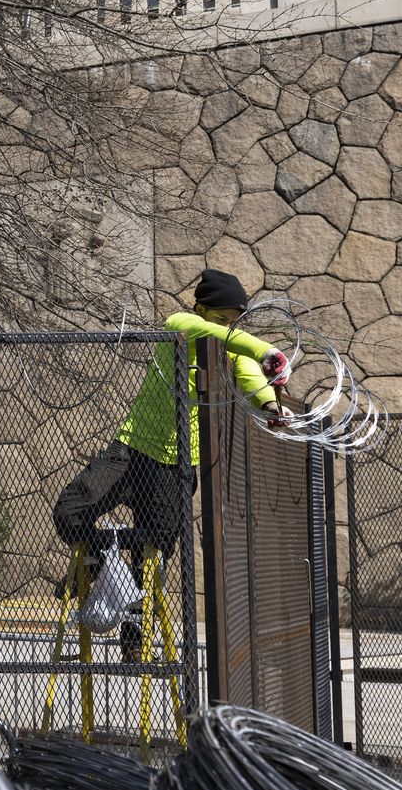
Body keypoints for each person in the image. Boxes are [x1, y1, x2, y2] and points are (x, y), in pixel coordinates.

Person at [51, 268, 291, 656]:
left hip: (176, 466)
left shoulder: (228, 347)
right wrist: (263, 348)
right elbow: (212, 334)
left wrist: (269, 405)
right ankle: (100, 559)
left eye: (234, 324)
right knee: (70, 510)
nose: (228, 329)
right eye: (221, 320)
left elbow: (248, 369)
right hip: (132, 449)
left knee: (155, 549)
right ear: (200, 309)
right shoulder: (180, 325)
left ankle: (133, 632)